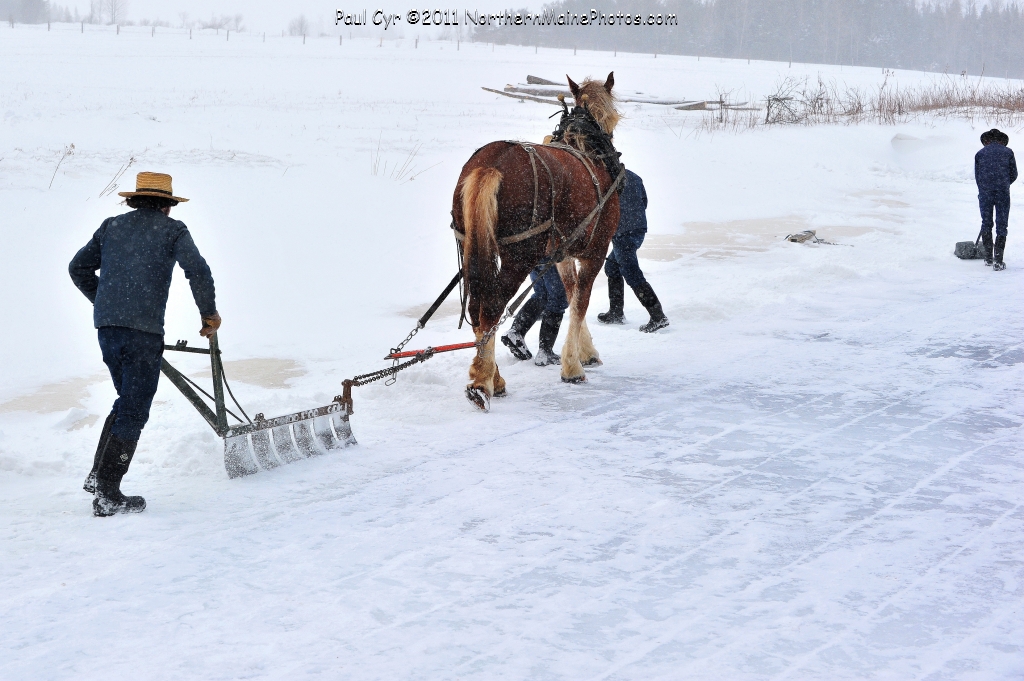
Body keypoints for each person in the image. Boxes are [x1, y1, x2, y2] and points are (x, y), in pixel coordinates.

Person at [69, 172, 221, 517]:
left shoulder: (111, 226)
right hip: (142, 333)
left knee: (126, 401)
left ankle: (99, 476)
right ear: (167, 204)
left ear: (134, 200)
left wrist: (105, 304)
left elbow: (78, 268)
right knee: (134, 409)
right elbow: (197, 270)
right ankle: (108, 493)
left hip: (107, 329)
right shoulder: (173, 230)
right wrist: (208, 315)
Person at [597, 168, 669, 332]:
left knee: (632, 273)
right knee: (612, 267)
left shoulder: (606, 180)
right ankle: (616, 312)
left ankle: (658, 316)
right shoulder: (634, 177)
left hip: (624, 234)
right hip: (636, 230)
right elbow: (644, 202)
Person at [501, 261, 567, 366]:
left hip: (533, 253)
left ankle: (516, 331)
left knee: (542, 294)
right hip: (551, 253)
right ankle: (545, 352)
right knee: (557, 300)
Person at [975, 128, 1018, 271]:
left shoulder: (980, 154)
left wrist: (985, 188)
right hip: (1002, 193)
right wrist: (1003, 183)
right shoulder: (1008, 152)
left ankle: (988, 258)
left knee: (986, 223)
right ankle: (998, 261)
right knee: (1001, 224)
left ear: (987, 140)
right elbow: (1014, 174)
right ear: (1001, 140)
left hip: (985, 193)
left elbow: (978, 177)